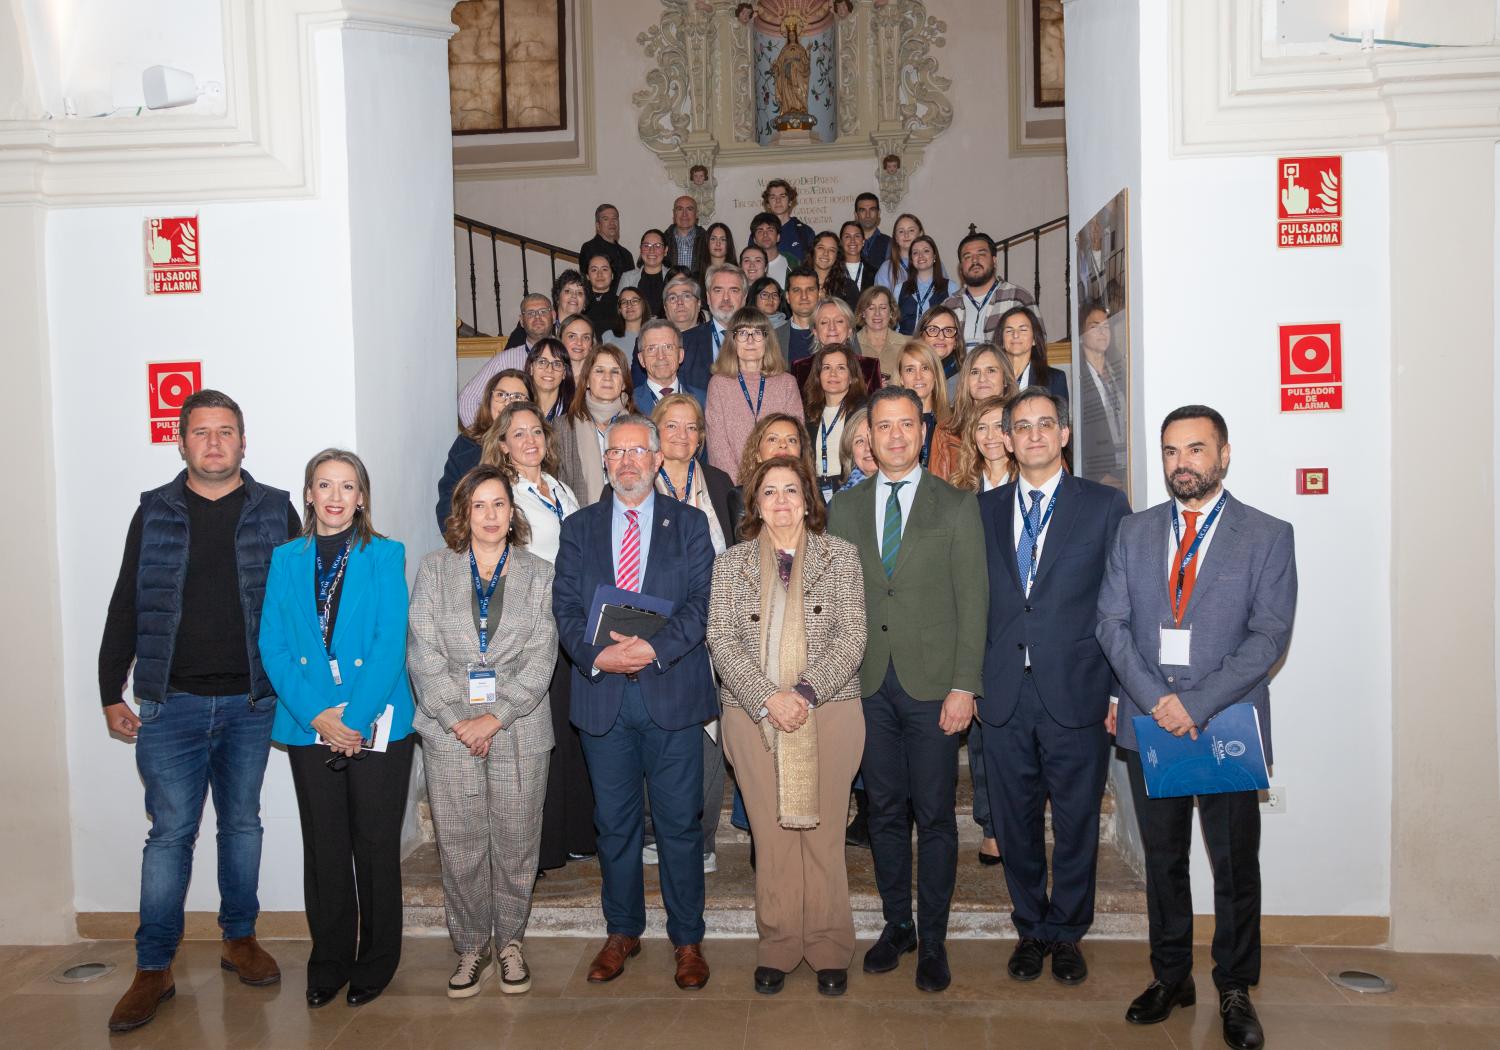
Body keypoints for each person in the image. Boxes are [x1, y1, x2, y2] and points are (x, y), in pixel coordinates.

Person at [99, 389, 300, 1033]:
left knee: (242, 825)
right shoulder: (154, 511)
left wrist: (310, 691)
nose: (214, 443)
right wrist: (110, 689)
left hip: (251, 703)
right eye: (202, 432)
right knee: (170, 834)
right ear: (181, 441)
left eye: (226, 431)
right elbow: (127, 600)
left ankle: (239, 938)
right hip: (171, 703)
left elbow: (298, 605)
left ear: (243, 440)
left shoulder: (275, 509)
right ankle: (153, 966)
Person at [1097, 406, 1296, 1050]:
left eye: (1195, 449)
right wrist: (1156, 699)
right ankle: (1171, 976)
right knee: (1163, 861)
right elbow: (1111, 624)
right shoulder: (1133, 532)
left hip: (1227, 722)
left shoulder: (1267, 534)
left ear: (1224, 454)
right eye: (1171, 451)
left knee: (1234, 865)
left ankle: (1234, 987)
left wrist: (1196, 703)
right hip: (1151, 721)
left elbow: (1269, 636)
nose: (1181, 463)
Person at [826, 385, 987, 994]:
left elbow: (974, 602)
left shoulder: (957, 504)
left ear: (923, 432)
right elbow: (835, 601)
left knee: (936, 815)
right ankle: (899, 925)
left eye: (906, 425)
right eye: (883, 426)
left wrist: (964, 686)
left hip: (933, 687)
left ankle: (935, 939)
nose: (895, 436)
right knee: (886, 811)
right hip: (867, 684)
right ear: (867, 437)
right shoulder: (845, 508)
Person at [552, 414, 717, 991]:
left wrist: (652, 649)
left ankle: (687, 939)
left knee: (679, 825)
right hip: (603, 699)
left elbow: (702, 604)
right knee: (614, 825)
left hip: (671, 695)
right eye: (617, 452)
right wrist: (600, 656)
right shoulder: (578, 528)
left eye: (638, 451)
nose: (627, 462)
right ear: (605, 462)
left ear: (656, 459)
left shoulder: (689, 523)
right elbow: (565, 610)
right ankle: (622, 931)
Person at [976, 389, 1131, 988]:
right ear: (1007, 440)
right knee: (1014, 821)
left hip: (1077, 689)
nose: (1034, 434)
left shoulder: (1104, 506)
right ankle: (1031, 928)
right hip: (1003, 692)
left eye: (1046, 424)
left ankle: (1066, 932)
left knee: (1076, 822)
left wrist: (1117, 692)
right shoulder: (982, 510)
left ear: (1065, 434)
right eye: (1022, 426)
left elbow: (1121, 605)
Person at [259, 448, 416, 1009]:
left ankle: (376, 961)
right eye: (324, 485)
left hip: (378, 722)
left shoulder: (386, 554)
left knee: (374, 846)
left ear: (362, 497)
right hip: (310, 724)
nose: (335, 496)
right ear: (308, 494)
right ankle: (328, 961)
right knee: (324, 848)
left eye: (347, 486)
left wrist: (351, 721)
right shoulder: (285, 559)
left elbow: (390, 643)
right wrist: (318, 715)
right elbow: (273, 644)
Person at [706, 455, 868, 997]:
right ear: (755, 503)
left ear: (808, 500)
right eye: (770, 491)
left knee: (824, 836)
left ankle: (828, 944)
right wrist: (768, 698)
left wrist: (803, 693)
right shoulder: (730, 565)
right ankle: (777, 944)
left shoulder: (840, 557)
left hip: (830, 710)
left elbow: (853, 634)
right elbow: (721, 639)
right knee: (772, 838)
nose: (781, 501)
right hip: (753, 715)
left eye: (791, 490)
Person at [408, 465, 557, 998]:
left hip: (520, 728)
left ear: (512, 513)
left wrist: (495, 717)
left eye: (499, 504)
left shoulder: (540, 574)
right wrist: (458, 720)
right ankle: (472, 945)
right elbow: (422, 653)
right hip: (449, 730)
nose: (490, 515)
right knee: (461, 843)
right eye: (480, 505)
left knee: (517, 842)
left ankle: (511, 941)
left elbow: (541, 656)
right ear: (463, 513)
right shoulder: (434, 569)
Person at [481, 403, 594, 873]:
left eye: (536, 432)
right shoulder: (504, 494)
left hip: (574, 621)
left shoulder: (560, 487)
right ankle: (543, 847)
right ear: (503, 444)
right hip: (534, 627)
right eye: (518, 434)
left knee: (571, 732)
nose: (530, 441)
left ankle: (577, 834)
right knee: (539, 737)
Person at [651, 392, 741, 873]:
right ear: (655, 433)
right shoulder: (637, 481)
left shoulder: (720, 482)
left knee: (709, 731)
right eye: (671, 426)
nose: (682, 435)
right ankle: (655, 830)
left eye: (691, 427)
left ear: (702, 437)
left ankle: (702, 838)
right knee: (658, 731)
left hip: (715, 625)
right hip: (657, 627)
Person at [705, 307, 803, 482]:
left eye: (757, 333)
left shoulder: (787, 383)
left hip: (780, 482)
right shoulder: (718, 384)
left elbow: (793, 440)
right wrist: (741, 487)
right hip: (734, 485)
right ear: (732, 340)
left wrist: (773, 483)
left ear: (767, 339)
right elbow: (717, 446)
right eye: (742, 333)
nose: (750, 340)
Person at [436, 369, 533, 534]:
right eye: (501, 395)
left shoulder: (535, 445)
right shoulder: (467, 445)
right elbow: (448, 505)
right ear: (489, 400)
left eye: (517, 397)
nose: (507, 403)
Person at [554, 344, 639, 507]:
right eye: (599, 371)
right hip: (580, 516)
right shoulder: (563, 427)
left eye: (615, 371)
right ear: (586, 380)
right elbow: (557, 486)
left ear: (623, 383)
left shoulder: (640, 426)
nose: (607, 377)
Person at [458, 293, 548, 427]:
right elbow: (467, 399)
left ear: (554, 316)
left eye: (543, 311)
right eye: (530, 313)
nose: (537, 317)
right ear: (521, 321)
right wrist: (487, 436)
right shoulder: (505, 360)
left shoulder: (567, 356)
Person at [929, 343, 1011, 483]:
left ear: (1005, 379)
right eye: (974, 372)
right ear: (965, 381)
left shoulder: (1021, 425)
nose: (982, 379)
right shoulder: (946, 431)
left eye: (991, 370)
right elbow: (936, 490)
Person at [943, 232, 1036, 350]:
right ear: (961, 267)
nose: (974, 260)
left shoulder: (1017, 298)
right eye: (967, 257)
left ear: (994, 261)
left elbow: (1037, 345)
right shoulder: (948, 306)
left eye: (981, 254)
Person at [803, 344, 868, 499]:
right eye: (826, 368)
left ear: (852, 377)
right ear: (818, 376)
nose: (833, 374)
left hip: (853, 489)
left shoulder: (864, 412)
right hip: (815, 492)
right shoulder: (808, 414)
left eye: (841, 368)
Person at [1076, 303, 1127, 489]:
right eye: (1094, 326)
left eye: (1106, 326)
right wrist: (1098, 475)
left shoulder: (1120, 371)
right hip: (1098, 473)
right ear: (1081, 335)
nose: (1102, 332)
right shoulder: (1078, 378)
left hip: (1128, 466)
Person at [680, 263, 748, 393]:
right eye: (718, 290)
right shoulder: (685, 342)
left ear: (744, 298)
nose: (726, 298)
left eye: (734, 290)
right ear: (708, 297)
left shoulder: (761, 340)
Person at [634, 318, 708, 415]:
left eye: (668, 347)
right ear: (641, 359)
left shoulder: (704, 400)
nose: (661, 356)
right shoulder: (630, 403)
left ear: (680, 355)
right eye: (651, 349)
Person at [997, 305, 1069, 404]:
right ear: (1001, 340)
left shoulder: (1054, 379)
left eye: (1023, 330)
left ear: (1034, 339)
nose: (1015, 335)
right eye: (1009, 331)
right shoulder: (991, 377)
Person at [895, 340, 949, 470]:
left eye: (925, 368)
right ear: (901, 378)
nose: (918, 376)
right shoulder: (890, 425)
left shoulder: (954, 425)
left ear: (935, 375)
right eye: (910, 370)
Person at [736, 412, 817, 493]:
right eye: (772, 439)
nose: (783, 444)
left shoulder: (814, 495)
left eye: (791, 440)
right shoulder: (740, 497)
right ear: (757, 453)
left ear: (801, 451)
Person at [950, 395, 1014, 493]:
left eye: (999, 426)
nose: (990, 436)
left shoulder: (1027, 480)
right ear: (972, 436)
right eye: (982, 428)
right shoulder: (959, 487)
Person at [897, 235, 953, 336]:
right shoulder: (899, 289)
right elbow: (894, 325)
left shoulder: (950, 287)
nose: (920, 255)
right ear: (911, 259)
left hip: (938, 343)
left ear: (934, 256)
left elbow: (954, 323)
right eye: (915, 253)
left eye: (926, 251)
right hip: (905, 343)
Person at [856, 285, 909, 384]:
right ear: (863, 313)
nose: (877, 313)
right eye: (871, 308)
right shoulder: (851, 345)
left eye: (883, 308)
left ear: (891, 312)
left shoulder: (907, 344)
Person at [915, 303, 966, 401]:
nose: (941, 337)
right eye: (933, 330)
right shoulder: (908, 373)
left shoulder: (967, 380)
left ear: (956, 341)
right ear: (921, 337)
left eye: (948, 330)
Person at [579, 203, 635, 287]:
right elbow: (586, 283)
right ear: (598, 225)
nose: (612, 223)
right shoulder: (589, 248)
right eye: (606, 219)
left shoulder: (626, 254)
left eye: (614, 219)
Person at [618, 229, 670, 316]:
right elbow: (620, 310)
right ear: (641, 249)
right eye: (646, 245)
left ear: (665, 250)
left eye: (657, 246)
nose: (651, 250)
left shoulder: (674, 277)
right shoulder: (628, 278)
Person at [776, 265, 821, 365]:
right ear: (787, 296)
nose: (804, 296)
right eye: (797, 290)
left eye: (810, 289)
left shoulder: (835, 332)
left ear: (819, 294)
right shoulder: (773, 337)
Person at [763, 178, 814, 264]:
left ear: (790, 201)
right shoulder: (759, 232)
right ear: (768, 204)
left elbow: (811, 264)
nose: (778, 201)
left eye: (782, 196)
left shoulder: (805, 232)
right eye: (773, 197)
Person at [525, 338, 574, 425]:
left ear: (564, 373)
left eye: (557, 364)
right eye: (542, 362)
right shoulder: (519, 407)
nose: (549, 370)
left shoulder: (576, 412)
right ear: (531, 368)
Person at [811, 230, 861, 309]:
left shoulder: (848, 287)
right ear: (813, 251)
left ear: (837, 256)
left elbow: (854, 315)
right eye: (821, 248)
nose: (825, 253)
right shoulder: (799, 282)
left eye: (832, 250)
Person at [874, 212, 922, 291]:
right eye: (901, 231)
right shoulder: (886, 269)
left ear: (920, 234)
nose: (906, 235)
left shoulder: (932, 264)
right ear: (896, 237)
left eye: (911, 230)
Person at [834, 406, 875, 495]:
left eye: (872, 438)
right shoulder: (841, 500)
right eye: (859, 441)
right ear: (850, 451)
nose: (868, 447)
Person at [606, 285, 650, 361]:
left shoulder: (655, 335)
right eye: (624, 302)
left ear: (643, 305)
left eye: (634, 301)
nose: (629, 305)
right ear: (619, 309)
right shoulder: (608, 337)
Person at [668, 195, 710, 273]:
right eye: (680, 209)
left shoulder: (708, 241)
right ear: (674, 213)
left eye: (689, 209)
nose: (684, 214)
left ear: (696, 214)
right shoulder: (663, 241)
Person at [750, 211, 791, 287]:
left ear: (778, 237)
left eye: (770, 230)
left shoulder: (792, 263)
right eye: (760, 231)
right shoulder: (748, 266)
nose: (765, 234)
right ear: (754, 240)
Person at [582, 252, 619, 336]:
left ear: (612, 275)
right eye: (594, 270)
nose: (599, 274)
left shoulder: (621, 304)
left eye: (604, 269)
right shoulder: (580, 302)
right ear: (587, 276)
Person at [855, 191, 890, 272]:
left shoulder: (890, 243)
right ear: (856, 215)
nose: (867, 215)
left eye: (872, 210)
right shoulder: (847, 244)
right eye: (863, 210)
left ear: (878, 213)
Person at [838, 220, 876, 295]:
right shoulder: (833, 271)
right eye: (847, 236)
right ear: (841, 242)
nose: (852, 240)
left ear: (863, 241)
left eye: (857, 236)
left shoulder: (875, 273)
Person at [559, 313, 597, 384]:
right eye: (572, 336)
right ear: (560, 340)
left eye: (586, 337)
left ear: (591, 344)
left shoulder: (599, 378)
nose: (579, 343)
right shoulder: (550, 376)